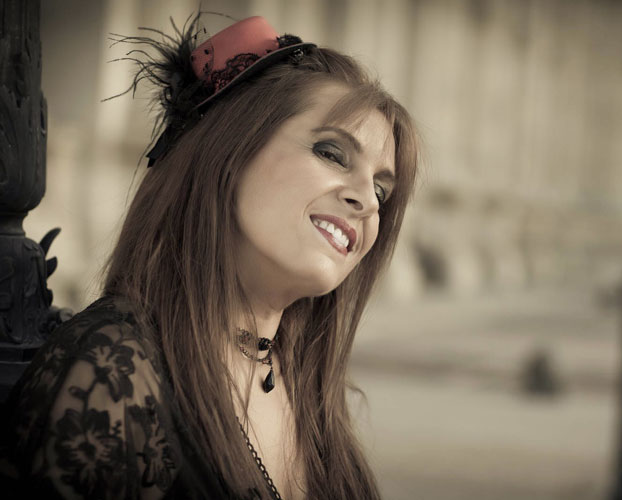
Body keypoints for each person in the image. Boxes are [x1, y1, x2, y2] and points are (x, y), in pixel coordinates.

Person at [0, 14, 419, 500]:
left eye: (382, 191)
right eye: (332, 152)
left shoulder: (313, 391)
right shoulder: (111, 371)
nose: (367, 201)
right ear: (231, 150)